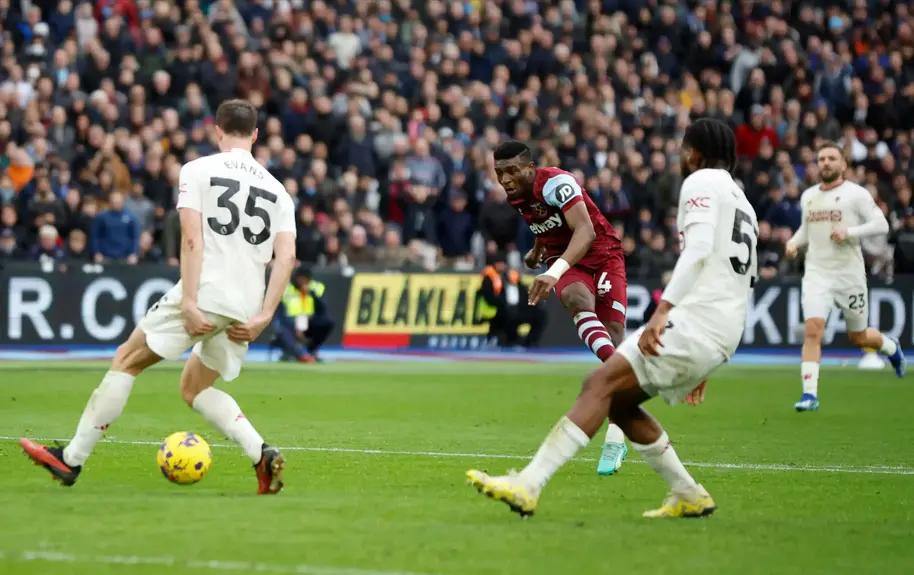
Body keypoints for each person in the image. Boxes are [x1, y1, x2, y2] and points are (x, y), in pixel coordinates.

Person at [466, 118, 757, 518]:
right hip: (724, 329)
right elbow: (739, 276)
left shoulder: (699, 183)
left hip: (686, 315)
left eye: (681, 149)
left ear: (693, 154)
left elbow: (698, 251)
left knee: (599, 384)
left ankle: (527, 484)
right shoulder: (742, 202)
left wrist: (663, 312)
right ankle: (688, 493)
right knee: (617, 401)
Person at [19, 99, 297, 495]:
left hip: (205, 290)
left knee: (126, 360)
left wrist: (188, 302)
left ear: (217, 130)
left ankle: (72, 460)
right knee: (194, 388)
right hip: (245, 306)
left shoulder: (197, 170)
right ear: (255, 135)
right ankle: (261, 454)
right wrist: (265, 315)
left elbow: (191, 238)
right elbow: (285, 257)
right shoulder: (279, 192)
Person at [490, 140, 628, 475]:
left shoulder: (556, 182)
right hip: (566, 260)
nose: (505, 179)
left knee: (613, 336)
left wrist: (552, 273)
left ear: (530, 167)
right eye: (499, 173)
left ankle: (617, 434)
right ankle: (627, 375)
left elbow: (585, 229)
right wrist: (540, 248)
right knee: (574, 298)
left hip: (602, 253)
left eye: (511, 171)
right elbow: (548, 220)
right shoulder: (516, 195)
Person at [785, 143, 905, 412]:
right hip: (817, 274)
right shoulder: (809, 196)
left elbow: (881, 224)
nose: (825, 163)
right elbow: (806, 231)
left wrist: (849, 232)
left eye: (831, 158)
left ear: (843, 165)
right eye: (821, 158)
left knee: (859, 337)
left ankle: (889, 347)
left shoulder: (856, 195)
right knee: (813, 329)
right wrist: (793, 244)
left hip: (848, 276)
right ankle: (809, 394)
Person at [480, 253, 547, 349]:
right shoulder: (489, 278)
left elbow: (524, 293)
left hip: (518, 308)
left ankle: (529, 342)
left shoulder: (513, 276)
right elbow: (489, 297)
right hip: (500, 311)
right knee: (508, 315)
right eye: (498, 263)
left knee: (540, 314)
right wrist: (504, 305)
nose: (501, 266)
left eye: (503, 263)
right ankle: (513, 342)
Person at [272, 266, 335, 362]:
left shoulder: (316, 287)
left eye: (305, 279)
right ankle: (299, 354)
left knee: (328, 321)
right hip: (291, 322)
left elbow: (322, 309)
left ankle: (310, 350)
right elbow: (280, 313)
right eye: (301, 279)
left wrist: (312, 294)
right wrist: (296, 326)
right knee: (282, 329)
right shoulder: (286, 289)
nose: (303, 282)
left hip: (309, 321)